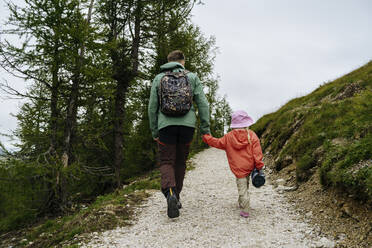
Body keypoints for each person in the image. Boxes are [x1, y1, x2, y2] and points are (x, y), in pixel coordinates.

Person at [148, 50, 210, 218]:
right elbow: (203, 104)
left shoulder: (159, 78)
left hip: (165, 126)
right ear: (182, 61)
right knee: (181, 161)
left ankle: (170, 193)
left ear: (168, 62)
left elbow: (152, 107)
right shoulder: (192, 77)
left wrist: (155, 130)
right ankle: (177, 196)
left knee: (167, 160)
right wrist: (205, 129)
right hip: (187, 126)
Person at [202, 110, 264, 218]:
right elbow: (257, 152)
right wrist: (259, 166)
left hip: (238, 168)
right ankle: (242, 202)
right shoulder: (252, 135)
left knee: (242, 187)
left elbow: (216, 142)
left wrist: (206, 137)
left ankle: (245, 210)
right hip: (249, 166)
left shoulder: (228, 137)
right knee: (245, 184)